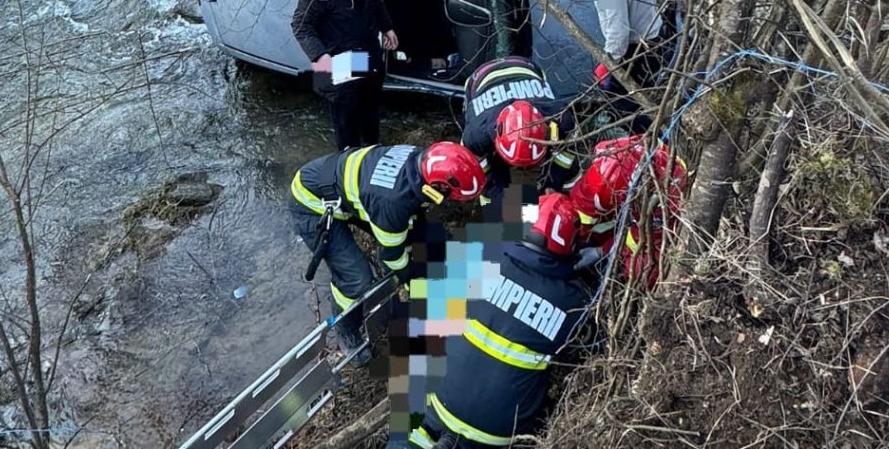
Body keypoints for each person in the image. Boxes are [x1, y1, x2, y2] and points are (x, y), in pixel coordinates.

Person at [408, 192, 593, 448]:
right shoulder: (573, 303)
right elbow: (587, 349)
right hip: (497, 433)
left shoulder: (485, 258)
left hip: (441, 401)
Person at [289, 142, 485, 365]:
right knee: (356, 278)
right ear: (437, 188)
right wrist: (411, 282)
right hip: (312, 204)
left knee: (427, 235)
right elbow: (392, 257)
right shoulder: (392, 202)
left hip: (346, 187)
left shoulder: (420, 160)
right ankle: (347, 330)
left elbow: (414, 216)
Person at [292, 0, 399, 151]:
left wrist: (386, 26)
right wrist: (320, 57)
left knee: (371, 112)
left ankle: (373, 152)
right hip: (340, 58)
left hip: (369, 51)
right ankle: (347, 162)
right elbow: (301, 24)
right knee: (346, 118)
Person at [569, 135, 688, 289]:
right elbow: (581, 210)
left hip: (657, 217)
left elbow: (643, 243)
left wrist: (602, 251)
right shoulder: (612, 156)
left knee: (642, 271)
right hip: (626, 192)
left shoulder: (665, 196)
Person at [460, 56, 579, 204]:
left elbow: (567, 152)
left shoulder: (562, 118)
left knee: (569, 170)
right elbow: (477, 164)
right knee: (491, 187)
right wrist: (495, 192)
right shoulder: (475, 134)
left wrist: (552, 184)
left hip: (527, 68)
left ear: (547, 130)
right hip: (480, 78)